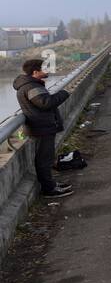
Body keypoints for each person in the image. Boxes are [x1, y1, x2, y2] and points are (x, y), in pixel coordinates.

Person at [13, 58, 73, 199]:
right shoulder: (31, 87)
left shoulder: (31, 84)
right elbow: (45, 103)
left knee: (46, 159)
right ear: (35, 72)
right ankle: (49, 189)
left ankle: (51, 184)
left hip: (42, 127)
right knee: (44, 160)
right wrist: (64, 93)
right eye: (45, 68)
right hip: (42, 128)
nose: (48, 71)